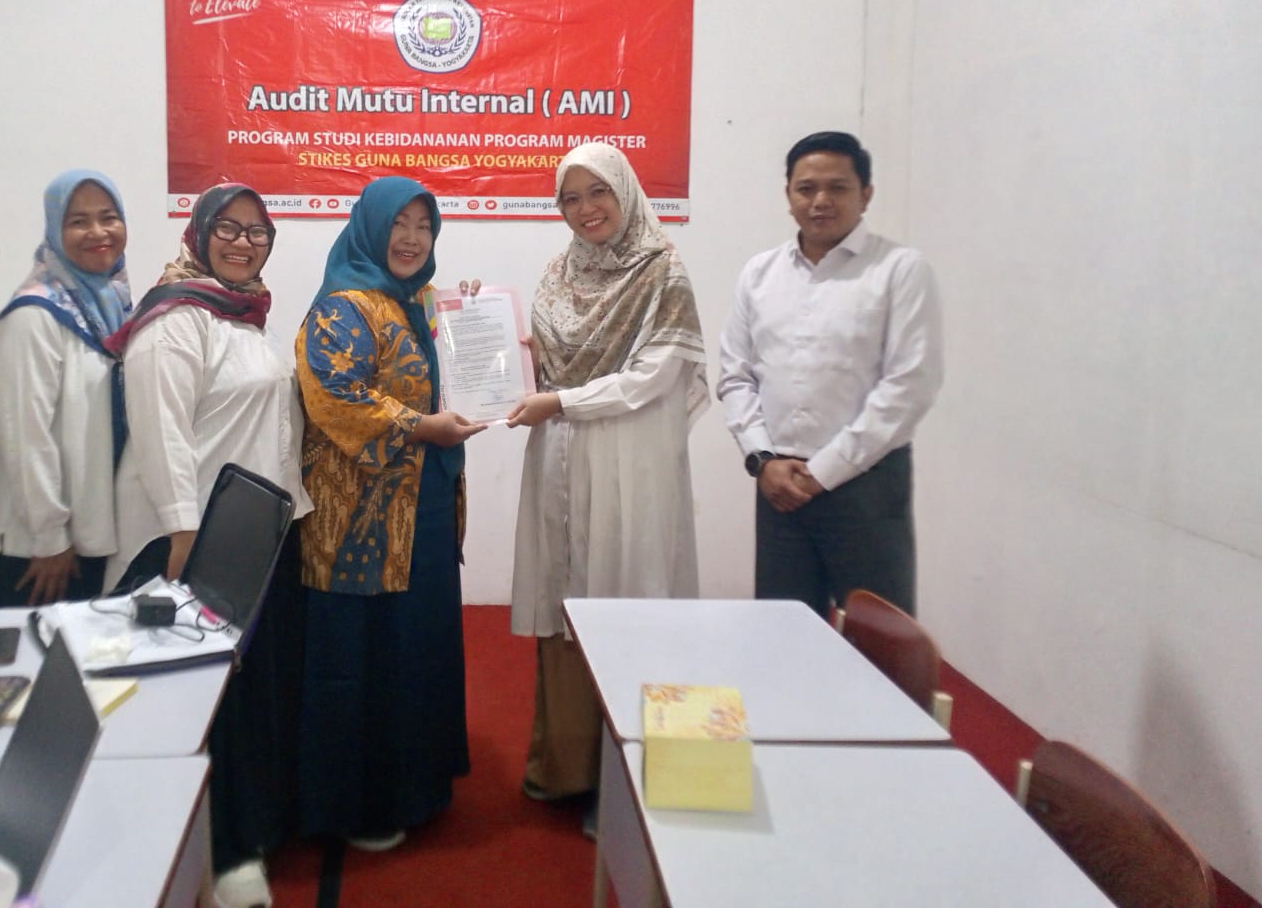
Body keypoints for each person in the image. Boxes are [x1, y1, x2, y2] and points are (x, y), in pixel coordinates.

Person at [105, 183, 308, 908]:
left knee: (248, 693)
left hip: (257, 536)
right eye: (228, 227)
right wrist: (184, 536)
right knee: (208, 700)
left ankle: (251, 827)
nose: (243, 242)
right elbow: (160, 433)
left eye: (258, 231)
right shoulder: (174, 319)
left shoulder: (244, 315)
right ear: (199, 232)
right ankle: (223, 854)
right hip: (195, 542)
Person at [506, 142, 707, 815]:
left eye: (599, 192)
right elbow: (549, 363)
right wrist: (487, 332)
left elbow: (653, 378)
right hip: (561, 455)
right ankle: (567, 768)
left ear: (625, 191)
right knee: (567, 597)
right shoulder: (558, 272)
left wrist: (561, 400)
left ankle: (629, 786)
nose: (586, 208)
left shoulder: (662, 272)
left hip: (629, 459)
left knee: (627, 597)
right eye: (571, 197)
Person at [294, 176, 483, 853]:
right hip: (361, 521)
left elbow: (452, 373)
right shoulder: (342, 307)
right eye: (398, 223)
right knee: (365, 653)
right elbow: (335, 396)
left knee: (416, 645)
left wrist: (474, 319)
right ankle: (361, 803)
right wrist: (419, 427)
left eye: (423, 226)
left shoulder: (419, 303)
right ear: (370, 228)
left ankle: (417, 783)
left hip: (423, 506)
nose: (411, 238)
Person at [718, 131, 943, 617]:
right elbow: (735, 375)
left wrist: (823, 473)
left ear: (866, 194)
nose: (820, 200)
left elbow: (909, 387)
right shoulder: (759, 274)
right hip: (778, 484)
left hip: (866, 485)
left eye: (838, 188)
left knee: (876, 636)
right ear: (788, 195)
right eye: (806, 188)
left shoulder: (900, 270)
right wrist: (762, 460)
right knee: (782, 628)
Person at [0, 170, 131, 628]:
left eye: (108, 217)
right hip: (32, 553)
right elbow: (25, 435)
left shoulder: (112, 309)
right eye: (78, 221)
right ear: (55, 230)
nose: (97, 232)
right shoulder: (34, 315)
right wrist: (50, 537)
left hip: (82, 541)